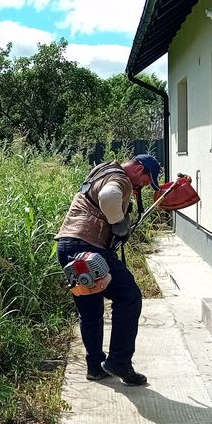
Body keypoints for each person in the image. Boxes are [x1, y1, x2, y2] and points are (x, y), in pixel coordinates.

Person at [54, 154, 162, 386]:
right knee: (129, 296)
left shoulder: (103, 170)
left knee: (90, 308)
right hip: (89, 248)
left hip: (67, 245)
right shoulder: (120, 178)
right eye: (146, 180)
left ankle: (95, 367)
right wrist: (118, 222)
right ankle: (119, 361)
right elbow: (109, 195)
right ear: (138, 168)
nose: (143, 185)